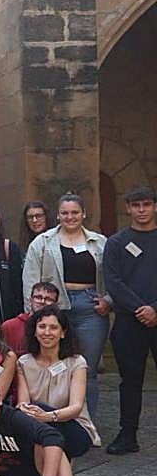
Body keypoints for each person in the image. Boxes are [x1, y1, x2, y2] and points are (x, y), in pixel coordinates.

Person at [22, 193, 111, 418]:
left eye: (74, 212)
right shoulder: (42, 242)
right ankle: (54, 417)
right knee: (54, 367)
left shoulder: (100, 242)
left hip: (91, 308)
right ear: (58, 215)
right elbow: (30, 279)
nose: (70, 217)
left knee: (86, 369)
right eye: (65, 213)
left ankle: (86, 424)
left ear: (83, 214)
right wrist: (35, 313)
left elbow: (114, 275)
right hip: (54, 309)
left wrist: (108, 301)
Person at [103, 184, 157, 455]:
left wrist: (155, 309)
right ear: (128, 208)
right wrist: (142, 309)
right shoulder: (116, 242)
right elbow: (113, 281)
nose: (141, 210)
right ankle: (128, 435)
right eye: (136, 205)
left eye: (146, 204)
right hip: (129, 322)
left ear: (155, 206)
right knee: (130, 380)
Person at [16, 306, 100, 459]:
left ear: (63, 333)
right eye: (42, 327)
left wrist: (47, 416)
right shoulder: (23, 362)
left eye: (53, 327)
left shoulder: (76, 362)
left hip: (73, 427)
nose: (47, 332)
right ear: (34, 331)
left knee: (38, 416)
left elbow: (76, 407)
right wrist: (32, 413)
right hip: (38, 426)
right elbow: (23, 403)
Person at [2, 281, 60, 357]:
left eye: (48, 299)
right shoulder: (10, 326)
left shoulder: (60, 326)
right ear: (30, 300)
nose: (42, 302)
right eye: (38, 297)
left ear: (56, 304)